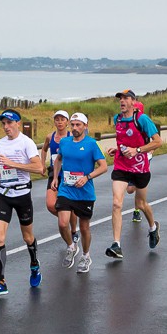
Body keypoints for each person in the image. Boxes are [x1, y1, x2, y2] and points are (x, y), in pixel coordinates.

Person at [0, 109, 44, 298]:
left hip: (22, 195)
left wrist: (13, 164)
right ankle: (0, 282)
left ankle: (34, 264)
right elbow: (1, 165)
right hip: (4, 194)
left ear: (18, 123)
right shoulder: (0, 143)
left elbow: (39, 168)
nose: (6, 127)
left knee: (28, 237)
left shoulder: (27, 142)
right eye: (3, 123)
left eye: (9, 123)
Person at [105, 89, 162, 258]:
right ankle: (116, 244)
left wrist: (137, 150)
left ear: (133, 101)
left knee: (141, 204)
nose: (122, 101)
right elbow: (124, 141)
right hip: (121, 166)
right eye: (120, 99)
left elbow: (158, 142)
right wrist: (118, 149)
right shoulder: (118, 119)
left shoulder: (142, 119)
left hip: (140, 168)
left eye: (125, 98)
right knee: (116, 203)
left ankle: (153, 227)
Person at [54, 112, 108, 274]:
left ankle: (86, 255)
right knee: (63, 223)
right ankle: (71, 247)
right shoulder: (64, 142)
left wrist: (87, 177)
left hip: (84, 193)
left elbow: (103, 166)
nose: (75, 128)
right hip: (66, 189)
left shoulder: (91, 144)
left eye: (78, 125)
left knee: (84, 228)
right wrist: (55, 178)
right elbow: (58, 159)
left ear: (85, 126)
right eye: (73, 125)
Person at [41, 110, 78, 245]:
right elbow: (44, 149)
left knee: (71, 206)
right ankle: (65, 217)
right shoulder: (50, 136)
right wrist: (42, 164)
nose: (60, 122)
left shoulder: (70, 136)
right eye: (57, 119)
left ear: (67, 122)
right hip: (54, 173)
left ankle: (73, 231)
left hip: (68, 174)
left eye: (62, 119)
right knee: (51, 204)